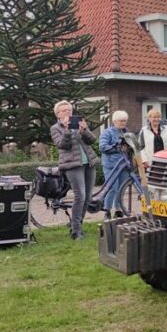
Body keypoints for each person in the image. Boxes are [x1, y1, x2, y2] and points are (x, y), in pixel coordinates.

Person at [50, 100, 99, 240]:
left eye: (69, 110)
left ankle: (77, 224)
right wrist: (66, 130)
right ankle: (76, 231)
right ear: (58, 114)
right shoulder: (55, 128)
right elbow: (61, 145)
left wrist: (84, 130)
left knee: (88, 197)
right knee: (80, 196)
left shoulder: (78, 124)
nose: (68, 112)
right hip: (72, 165)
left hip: (88, 163)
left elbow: (92, 140)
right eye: (64, 110)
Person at [99, 110, 129, 218]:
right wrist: (117, 147)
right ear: (114, 121)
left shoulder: (127, 132)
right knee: (112, 188)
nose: (123, 123)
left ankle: (118, 210)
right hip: (111, 165)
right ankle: (107, 210)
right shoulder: (107, 132)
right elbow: (102, 147)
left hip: (124, 165)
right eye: (121, 121)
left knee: (121, 188)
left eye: (125, 121)